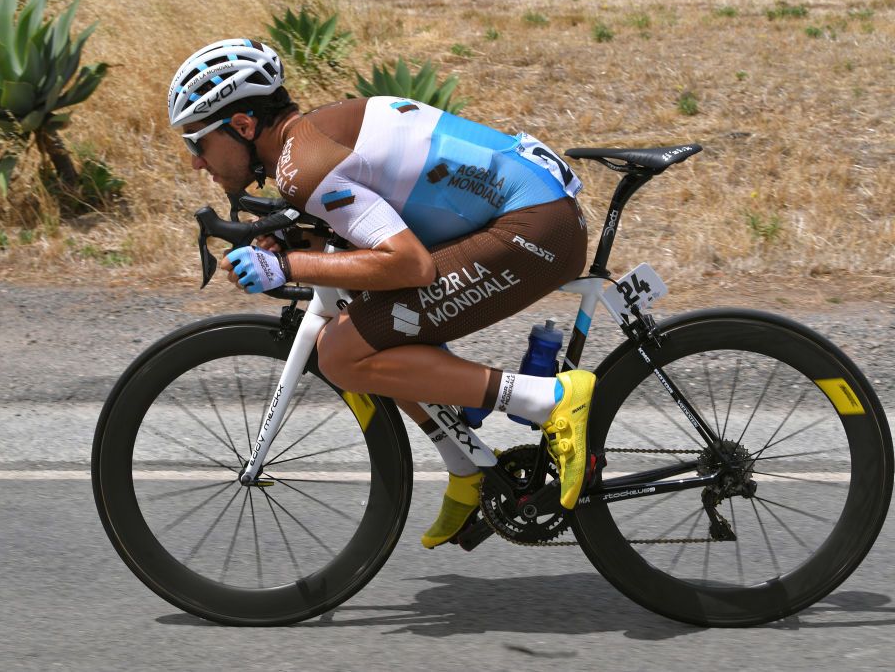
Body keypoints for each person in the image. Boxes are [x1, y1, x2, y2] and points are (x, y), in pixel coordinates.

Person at [167, 38, 597, 548]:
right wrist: (298, 243)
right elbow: (369, 227)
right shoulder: (309, 139)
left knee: (344, 352)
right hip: (534, 210)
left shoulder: (301, 166)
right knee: (364, 329)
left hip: (535, 228)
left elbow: (408, 263)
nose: (196, 162)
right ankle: (467, 464)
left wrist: (285, 263)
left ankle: (550, 399)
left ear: (241, 127)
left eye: (197, 141)